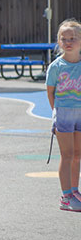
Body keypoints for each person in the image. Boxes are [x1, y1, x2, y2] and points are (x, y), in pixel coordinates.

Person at [46, 19, 81, 212]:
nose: (68, 42)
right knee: (67, 155)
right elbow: (50, 92)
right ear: (59, 42)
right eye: (64, 38)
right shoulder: (56, 67)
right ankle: (66, 196)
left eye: (73, 38)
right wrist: (56, 112)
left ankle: (75, 191)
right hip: (64, 115)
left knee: (77, 155)